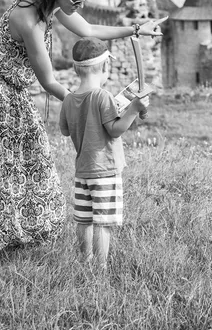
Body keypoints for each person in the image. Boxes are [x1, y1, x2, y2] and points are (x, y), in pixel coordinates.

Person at [0, 0, 165, 256]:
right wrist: (85, 103)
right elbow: (48, 81)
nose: (81, 7)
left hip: (13, 87)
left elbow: (89, 30)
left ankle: (27, 231)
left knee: (34, 155)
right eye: (78, 1)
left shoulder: (52, 1)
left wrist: (136, 28)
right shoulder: (28, 20)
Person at [59, 36, 150, 269]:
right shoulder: (103, 96)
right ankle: (100, 267)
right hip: (105, 170)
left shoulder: (68, 99)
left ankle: (85, 260)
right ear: (106, 67)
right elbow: (115, 129)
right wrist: (133, 109)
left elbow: (65, 130)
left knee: (84, 219)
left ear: (77, 69)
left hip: (82, 171)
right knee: (102, 222)